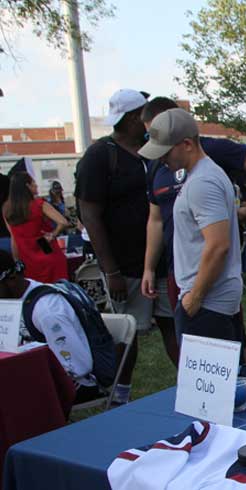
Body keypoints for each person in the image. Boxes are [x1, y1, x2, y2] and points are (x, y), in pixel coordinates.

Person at [75, 89, 175, 401]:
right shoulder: (100, 155)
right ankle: (119, 394)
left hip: (164, 262)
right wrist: (111, 270)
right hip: (126, 264)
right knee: (128, 334)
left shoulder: (155, 151)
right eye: (142, 115)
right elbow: (89, 214)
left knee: (173, 325)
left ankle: (192, 385)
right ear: (132, 118)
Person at [139, 108, 244, 348]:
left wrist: (193, 299)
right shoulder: (203, 175)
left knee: (208, 383)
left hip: (207, 302)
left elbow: (218, 246)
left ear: (186, 144)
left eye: (165, 152)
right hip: (209, 299)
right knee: (224, 377)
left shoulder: (202, 182)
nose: (161, 160)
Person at [0, 250, 117, 405]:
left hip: (78, 383)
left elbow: (79, 367)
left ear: (12, 279)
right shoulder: (15, 297)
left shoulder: (48, 311)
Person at [3, 172, 69, 283]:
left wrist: (16, 260)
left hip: (27, 258)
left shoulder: (7, 210)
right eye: (33, 182)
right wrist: (52, 234)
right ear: (27, 186)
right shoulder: (39, 204)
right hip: (44, 247)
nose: (36, 185)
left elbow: (14, 238)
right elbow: (63, 222)